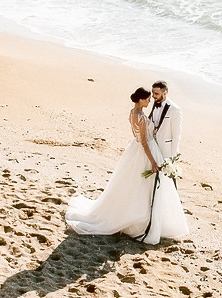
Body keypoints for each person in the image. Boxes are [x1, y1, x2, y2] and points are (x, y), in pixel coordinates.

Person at [65, 87, 189, 244]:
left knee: (134, 185)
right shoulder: (142, 118)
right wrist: (152, 162)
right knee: (144, 187)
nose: (149, 101)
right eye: (147, 99)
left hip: (134, 149)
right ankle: (140, 220)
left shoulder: (132, 112)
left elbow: (138, 137)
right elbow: (144, 143)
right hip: (145, 151)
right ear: (140, 100)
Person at [149, 80, 182, 163]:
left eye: (156, 93)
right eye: (153, 93)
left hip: (166, 150)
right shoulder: (155, 103)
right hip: (153, 147)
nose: (153, 96)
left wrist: (173, 156)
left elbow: (176, 134)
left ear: (165, 93)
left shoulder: (175, 109)